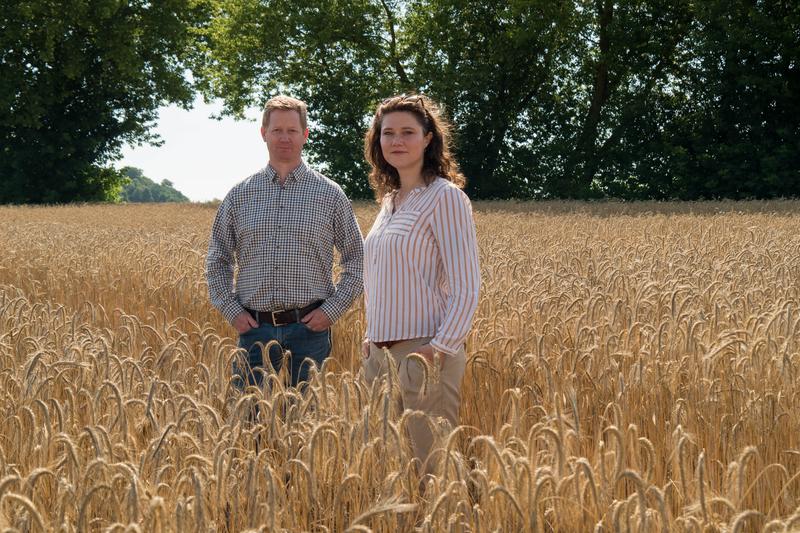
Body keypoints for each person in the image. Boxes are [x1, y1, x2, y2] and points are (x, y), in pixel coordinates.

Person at [360, 94, 481, 480]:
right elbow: (382, 276)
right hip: (379, 357)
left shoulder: (445, 198)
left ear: (428, 138)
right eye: (388, 133)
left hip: (423, 352)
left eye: (408, 132)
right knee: (393, 469)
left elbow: (467, 284)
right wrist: (369, 336)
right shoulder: (391, 201)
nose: (397, 140)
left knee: (436, 470)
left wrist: (439, 349)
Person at [207, 95, 364, 389]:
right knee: (249, 420)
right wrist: (232, 311)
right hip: (254, 330)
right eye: (277, 130)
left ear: (305, 135)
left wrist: (332, 311)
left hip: (310, 332)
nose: (284, 138)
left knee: (304, 424)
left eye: (292, 131)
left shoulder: (330, 195)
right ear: (263, 133)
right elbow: (218, 259)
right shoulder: (240, 195)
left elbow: (357, 257)